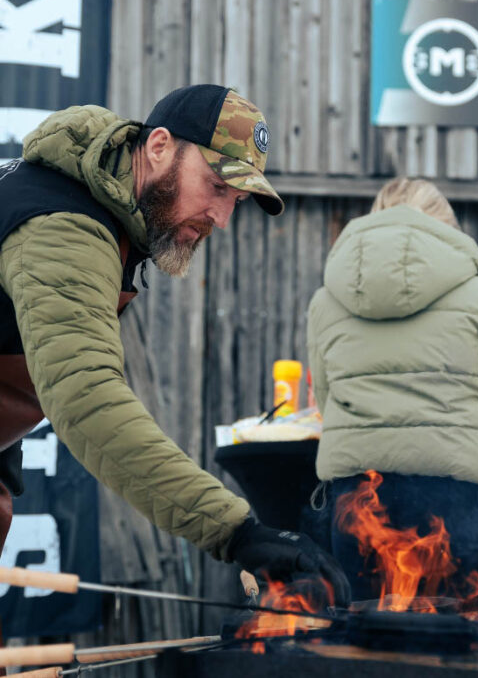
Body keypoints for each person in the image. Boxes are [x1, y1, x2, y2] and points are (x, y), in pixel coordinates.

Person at [0, 84, 350, 606]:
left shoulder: (81, 203)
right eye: (215, 186)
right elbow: (86, 398)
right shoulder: (63, 226)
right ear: (159, 146)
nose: (222, 218)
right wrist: (235, 531)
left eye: (235, 200)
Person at [306, 177, 478, 600]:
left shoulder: (326, 302)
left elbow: (328, 403)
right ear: (446, 227)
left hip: (357, 500)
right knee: (445, 650)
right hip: (450, 504)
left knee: (360, 649)